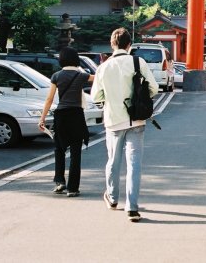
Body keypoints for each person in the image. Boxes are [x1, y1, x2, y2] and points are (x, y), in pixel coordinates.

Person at [90, 28, 159, 223]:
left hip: (113, 120)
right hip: (136, 119)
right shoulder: (138, 62)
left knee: (113, 160)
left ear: (112, 44)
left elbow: (96, 96)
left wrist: (110, 98)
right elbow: (153, 87)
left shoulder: (103, 67)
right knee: (134, 164)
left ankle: (112, 198)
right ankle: (132, 207)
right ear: (129, 45)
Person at [39, 47, 94, 197]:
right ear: (76, 59)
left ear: (61, 59)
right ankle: (73, 188)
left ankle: (60, 182)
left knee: (59, 149)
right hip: (76, 115)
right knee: (76, 153)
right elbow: (98, 78)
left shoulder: (56, 76)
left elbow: (49, 99)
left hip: (61, 115)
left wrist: (42, 118)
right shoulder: (81, 75)